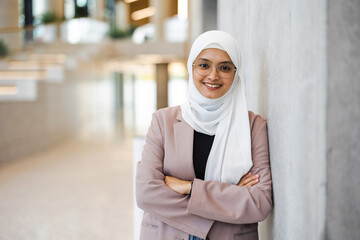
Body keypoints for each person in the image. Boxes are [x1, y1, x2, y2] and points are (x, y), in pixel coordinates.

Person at [136, 30, 272, 240]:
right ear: (191, 68)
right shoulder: (163, 121)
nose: (213, 76)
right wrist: (231, 195)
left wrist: (189, 188)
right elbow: (146, 193)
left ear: (236, 73)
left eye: (225, 67)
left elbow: (259, 203)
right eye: (204, 65)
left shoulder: (253, 126)